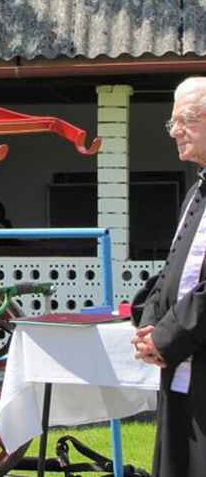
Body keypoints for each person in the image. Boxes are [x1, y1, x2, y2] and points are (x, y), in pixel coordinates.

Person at [131, 77, 206, 477]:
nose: (176, 130)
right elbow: (173, 270)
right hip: (179, 367)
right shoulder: (196, 191)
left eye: (187, 119)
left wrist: (165, 337)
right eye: (172, 122)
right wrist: (148, 327)